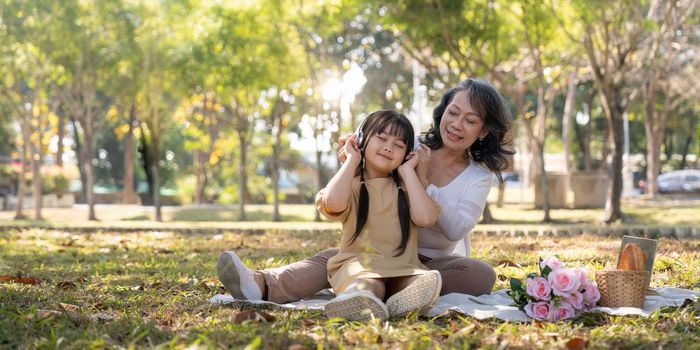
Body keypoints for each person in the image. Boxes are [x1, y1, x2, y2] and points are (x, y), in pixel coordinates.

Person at [217, 78, 514, 305]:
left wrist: (421, 182)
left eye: (470, 120)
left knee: (481, 274)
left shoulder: (478, 176)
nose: (457, 124)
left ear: (484, 131)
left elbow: (456, 229)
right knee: (336, 260)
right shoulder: (409, 144)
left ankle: (395, 291)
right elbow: (370, 165)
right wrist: (355, 155)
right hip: (375, 247)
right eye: (453, 112)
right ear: (443, 111)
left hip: (431, 260)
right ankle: (259, 284)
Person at [317, 110, 441, 321]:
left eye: (399, 145)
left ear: (407, 153)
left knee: (419, 279)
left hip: (403, 267)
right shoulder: (351, 183)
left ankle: (400, 302)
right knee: (368, 283)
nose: (388, 147)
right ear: (361, 140)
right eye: (381, 138)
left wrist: (410, 172)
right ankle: (358, 300)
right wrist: (351, 161)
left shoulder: (407, 186)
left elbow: (426, 218)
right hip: (359, 265)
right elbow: (333, 202)